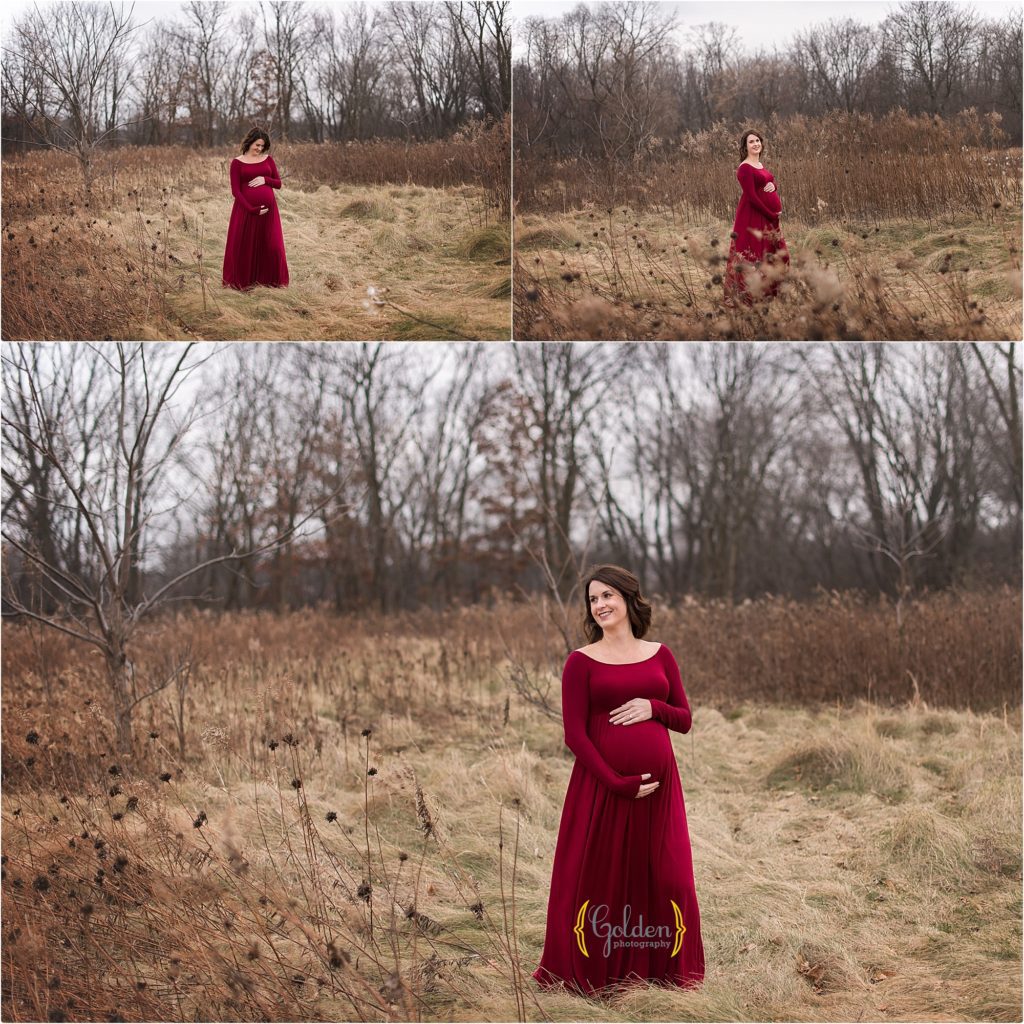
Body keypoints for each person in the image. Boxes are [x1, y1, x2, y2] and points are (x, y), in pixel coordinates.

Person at [532, 564, 705, 995]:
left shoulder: (661, 654)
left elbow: (683, 720)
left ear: (628, 599)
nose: (600, 605)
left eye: (607, 595)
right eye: (593, 599)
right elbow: (575, 735)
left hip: (660, 793)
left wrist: (653, 707)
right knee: (600, 879)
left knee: (668, 877)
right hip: (602, 789)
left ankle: (664, 972)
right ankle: (598, 975)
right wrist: (615, 782)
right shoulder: (580, 663)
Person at [724, 129, 789, 305]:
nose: (756, 144)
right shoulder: (744, 168)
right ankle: (747, 296)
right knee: (753, 256)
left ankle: (770, 294)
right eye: (751, 142)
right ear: (745, 147)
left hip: (767, 218)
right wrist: (772, 215)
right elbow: (752, 197)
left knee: (774, 254)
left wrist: (773, 186)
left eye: (758, 140)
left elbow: (768, 181)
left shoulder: (759, 165)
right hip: (752, 217)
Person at [222, 128, 289, 290]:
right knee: (245, 247)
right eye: (257, 145)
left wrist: (264, 179)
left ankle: (272, 283)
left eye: (262, 146)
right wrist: (251, 209)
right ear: (250, 141)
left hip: (269, 212)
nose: (259, 149)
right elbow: (235, 191)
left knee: (273, 246)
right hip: (246, 211)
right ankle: (243, 284)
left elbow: (278, 184)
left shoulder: (268, 160)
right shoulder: (237, 163)